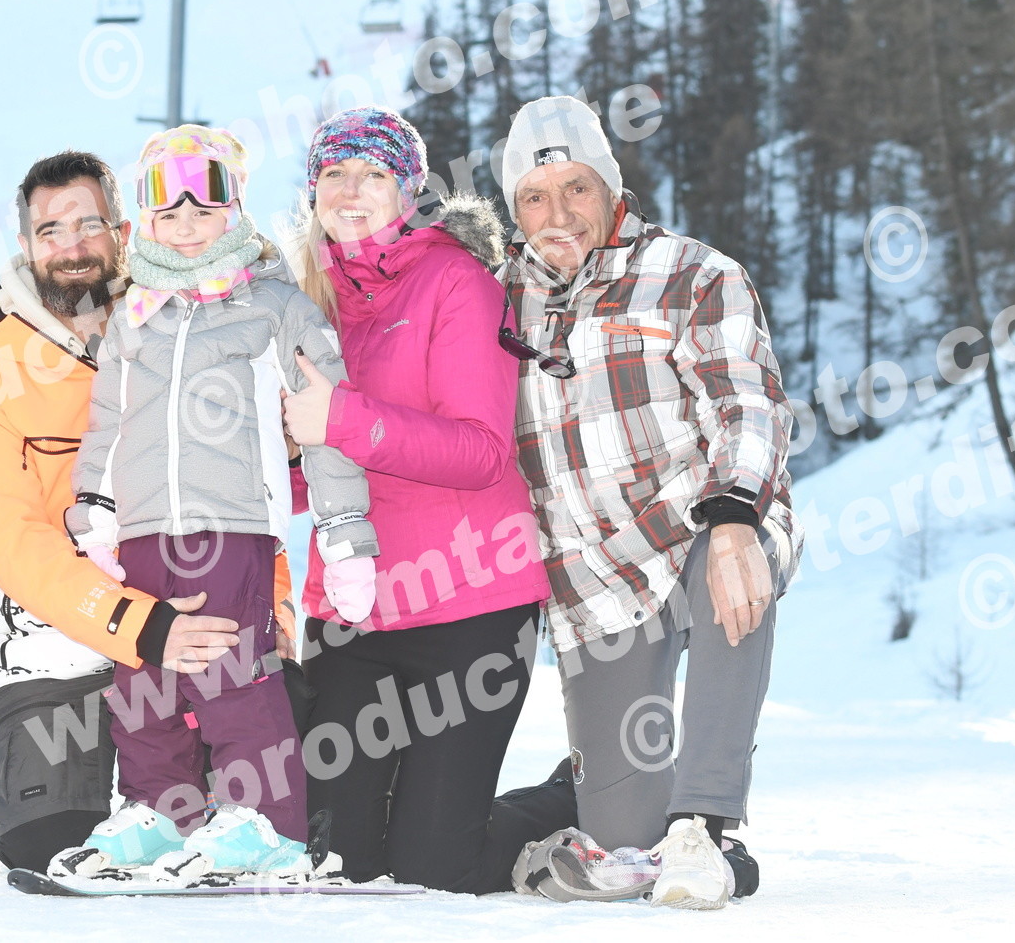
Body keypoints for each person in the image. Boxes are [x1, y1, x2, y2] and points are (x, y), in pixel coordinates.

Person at [499, 95, 802, 909]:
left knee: (734, 564)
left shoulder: (695, 273)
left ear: (611, 187)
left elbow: (748, 405)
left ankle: (704, 822)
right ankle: (601, 793)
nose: (559, 213)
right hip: (595, 580)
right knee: (625, 838)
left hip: (698, 527)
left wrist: (735, 516)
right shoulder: (496, 299)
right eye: (535, 196)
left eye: (577, 188)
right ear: (514, 209)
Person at [62, 125, 379, 876]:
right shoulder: (133, 315)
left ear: (233, 211)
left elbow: (327, 423)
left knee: (234, 673)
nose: (186, 226)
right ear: (146, 219)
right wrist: (95, 510)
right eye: (168, 212)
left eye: (203, 211)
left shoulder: (275, 306)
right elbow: (107, 420)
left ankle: (265, 822)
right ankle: (160, 810)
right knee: (144, 678)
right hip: (143, 529)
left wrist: (344, 532)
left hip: (233, 524)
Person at [282, 106, 571, 895]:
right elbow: (316, 471)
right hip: (354, 611)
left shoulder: (457, 281)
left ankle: (576, 797)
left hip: (469, 604)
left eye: (372, 173)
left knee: (436, 867)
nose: (350, 190)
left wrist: (340, 418)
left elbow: (480, 452)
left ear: (408, 190)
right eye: (334, 173)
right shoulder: (304, 302)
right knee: (339, 862)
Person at [0, 150, 247, 873]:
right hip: (56, 633)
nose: (71, 246)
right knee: (47, 845)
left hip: (186, 608)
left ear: (122, 231)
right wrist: (138, 626)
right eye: (50, 231)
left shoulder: (180, 326)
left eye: (88, 225)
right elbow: (12, 541)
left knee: (238, 820)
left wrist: (275, 623)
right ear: (27, 246)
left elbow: (242, 490)